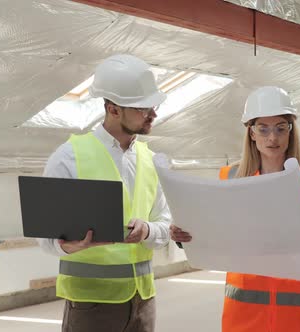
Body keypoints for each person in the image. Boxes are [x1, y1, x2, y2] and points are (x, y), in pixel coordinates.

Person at [170, 86, 300, 332]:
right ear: (251, 132)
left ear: (291, 131)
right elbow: (214, 233)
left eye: (281, 128)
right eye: (263, 128)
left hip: (299, 316)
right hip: (245, 314)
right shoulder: (231, 178)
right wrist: (183, 235)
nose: (273, 138)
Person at [38, 54, 172, 332]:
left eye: (153, 106)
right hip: (90, 304)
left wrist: (148, 230)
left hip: (143, 301)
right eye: (143, 108)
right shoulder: (68, 157)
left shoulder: (152, 159)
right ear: (113, 109)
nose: (153, 115)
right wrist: (69, 246)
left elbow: (167, 224)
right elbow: (46, 238)